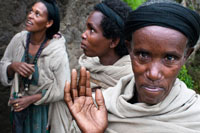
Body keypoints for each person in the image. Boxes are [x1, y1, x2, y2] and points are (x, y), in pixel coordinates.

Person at [64, 0, 200, 133]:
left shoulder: (195, 117)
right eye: (143, 55)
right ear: (130, 49)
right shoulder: (99, 107)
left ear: (186, 56)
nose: (153, 74)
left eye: (169, 58)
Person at [0, 0, 71, 133]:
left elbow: (63, 87)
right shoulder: (18, 40)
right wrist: (12, 67)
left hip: (45, 114)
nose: (30, 16)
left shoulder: (56, 51)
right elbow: (3, 65)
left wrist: (31, 99)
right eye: (31, 11)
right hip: (19, 109)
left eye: (37, 14)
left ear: (49, 23)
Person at [79, 0, 132, 90]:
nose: (83, 35)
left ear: (113, 42)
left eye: (92, 30)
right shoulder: (87, 66)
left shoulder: (130, 80)